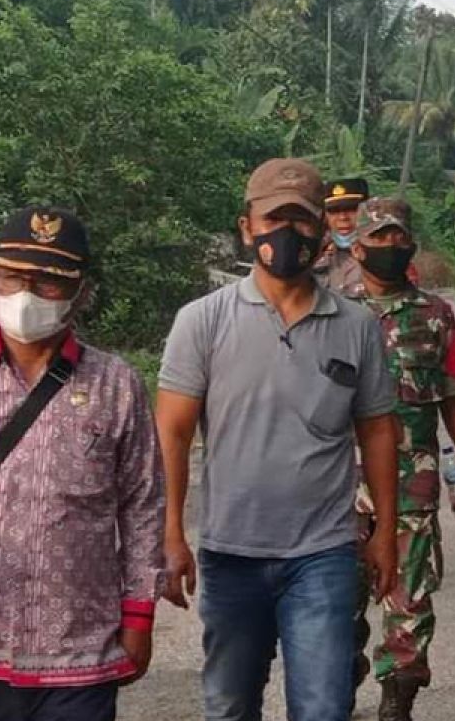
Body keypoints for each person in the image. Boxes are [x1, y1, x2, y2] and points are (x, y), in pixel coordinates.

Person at [0, 207, 165, 721]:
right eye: (13, 276)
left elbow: (143, 505)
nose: (26, 293)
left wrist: (139, 613)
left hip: (78, 648)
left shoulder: (116, 384)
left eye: (49, 282)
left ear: (81, 291)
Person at [156, 159, 401, 721]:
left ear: (322, 233)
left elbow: (378, 433)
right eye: (273, 219)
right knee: (230, 705)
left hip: (323, 555)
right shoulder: (202, 321)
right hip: (231, 553)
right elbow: (171, 433)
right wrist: (171, 533)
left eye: (302, 221)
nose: (287, 233)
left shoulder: (356, 325)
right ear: (247, 226)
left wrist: (386, 532)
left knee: (323, 706)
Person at [346, 197, 455, 721]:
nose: (389, 245)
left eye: (397, 237)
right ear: (356, 245)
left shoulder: (435, 314)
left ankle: (397, 701)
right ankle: (341, 678)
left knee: (408, 604)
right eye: (378, 237)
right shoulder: (329, 310)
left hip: (412, 484)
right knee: (336, 607)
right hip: (335, 486)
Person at [314, 177, 370, 295]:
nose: (343, 217)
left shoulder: (382, 256)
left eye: (351, 209)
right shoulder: (315, 256)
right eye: (333, 211)